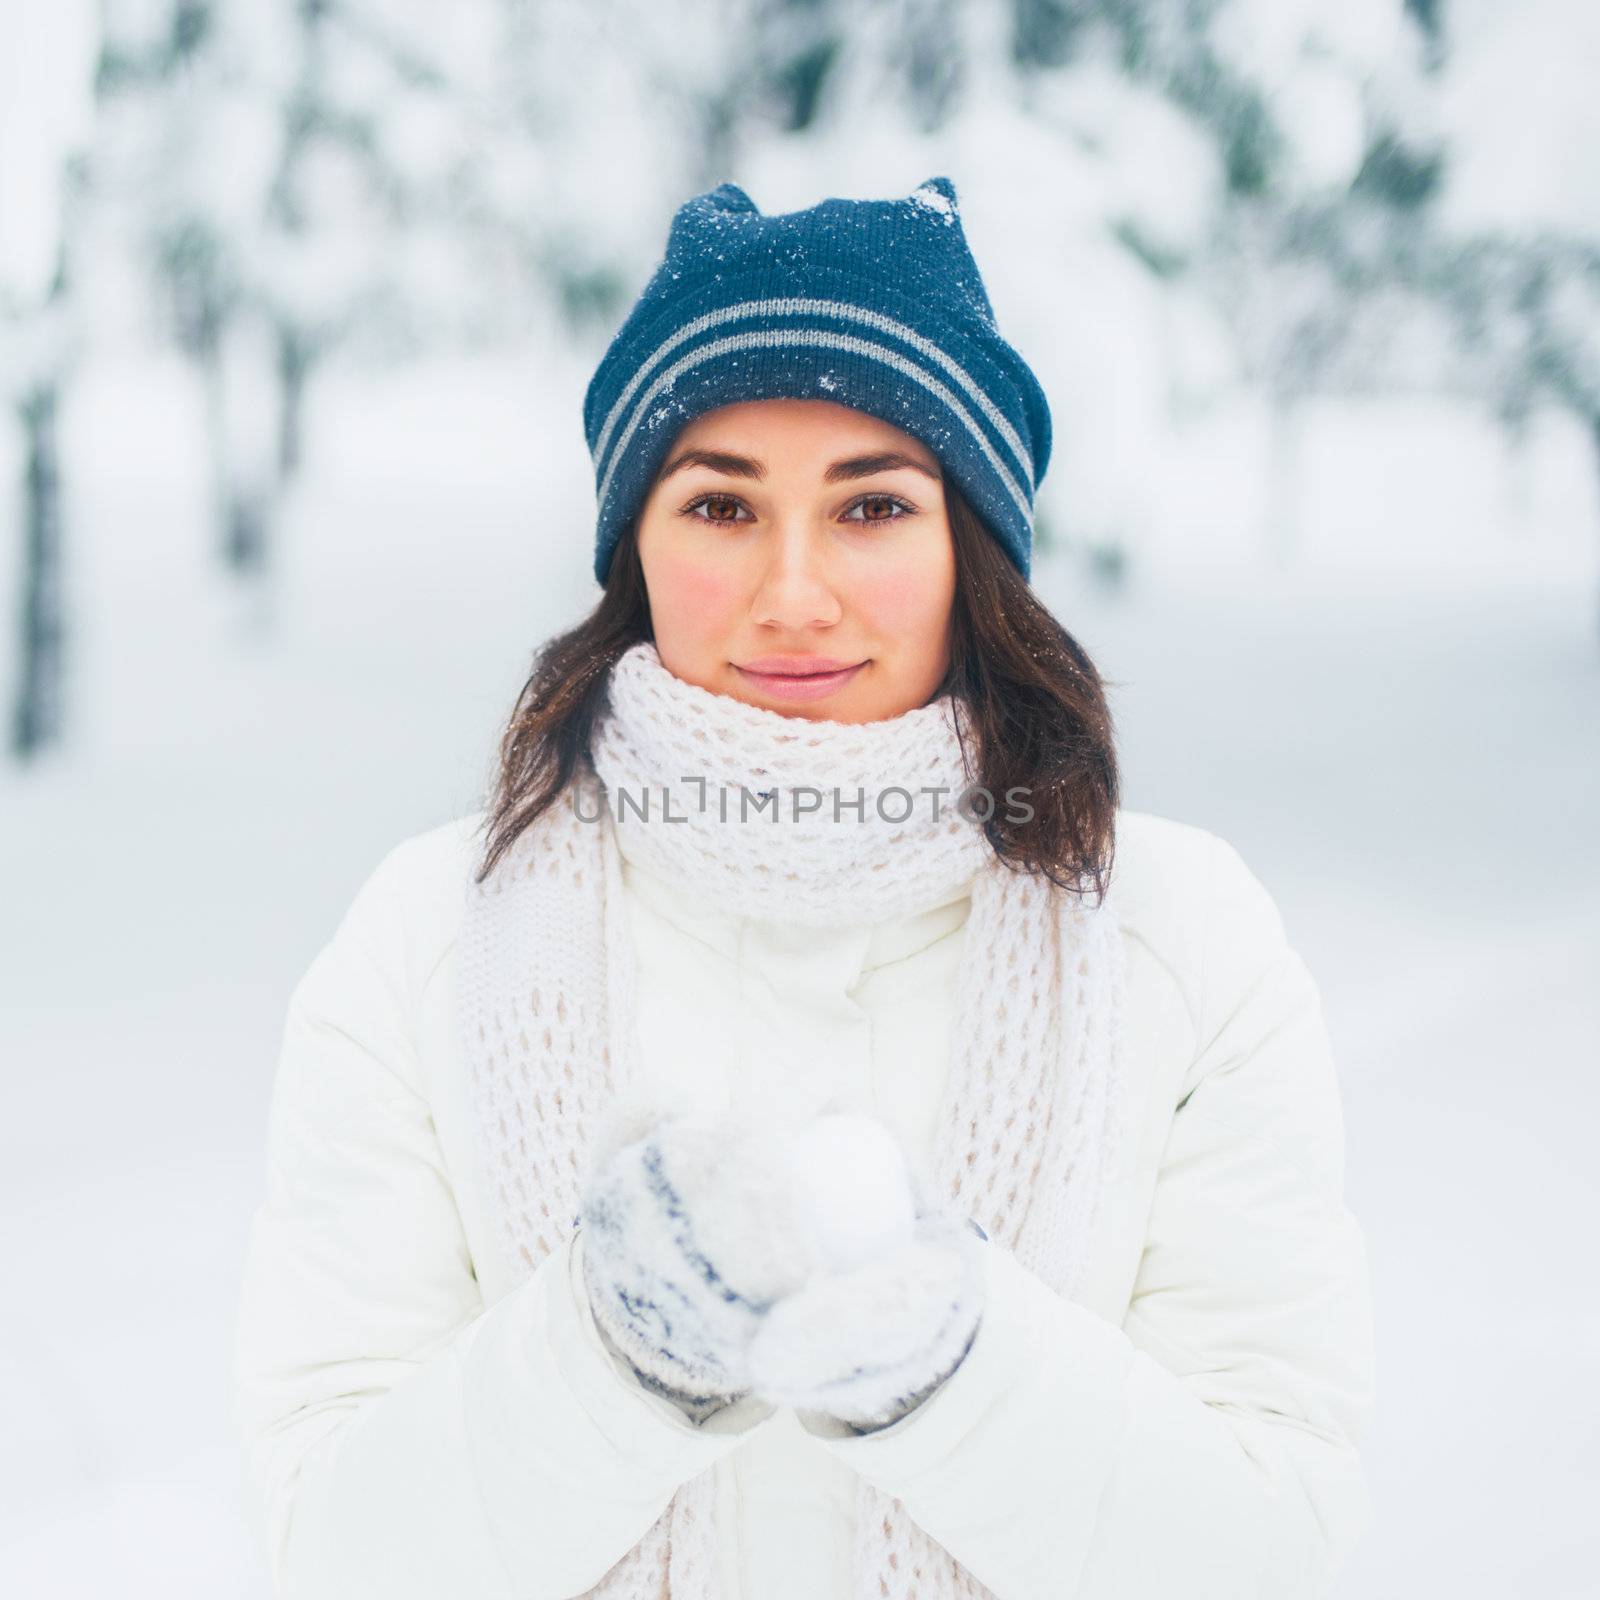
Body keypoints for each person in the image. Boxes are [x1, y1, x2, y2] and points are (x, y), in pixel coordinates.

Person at [231, 177, 1375, 1600]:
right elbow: (328, 1558)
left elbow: (1273, 1556)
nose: (792, 592)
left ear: (973, 544)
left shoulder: (1181, 938)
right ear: (632, 543)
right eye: (718, 503)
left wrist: (955, 1369)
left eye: (874, 506)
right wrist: (610, 1350)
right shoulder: (427, 938)